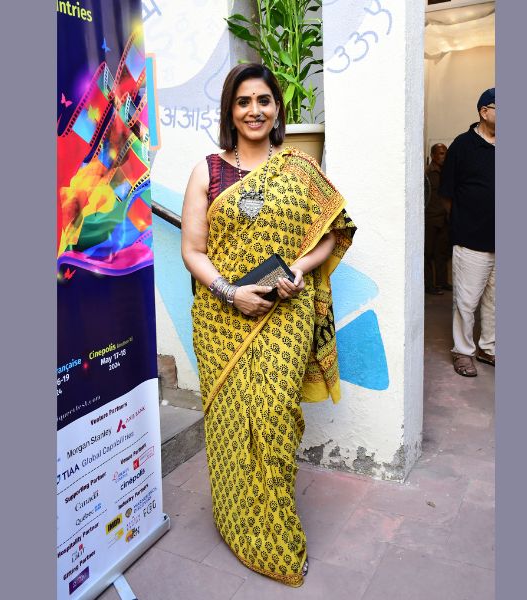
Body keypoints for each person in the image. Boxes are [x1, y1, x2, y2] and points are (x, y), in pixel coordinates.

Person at [180, 63, 356, 587]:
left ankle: (276, 531)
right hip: (221, 318)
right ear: (230, 111)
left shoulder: (300, 169)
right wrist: (230, 292)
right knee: (231, 421)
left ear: (277, 108)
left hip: (286, 312)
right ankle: (238, 521)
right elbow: (193, 251)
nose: (254, 110)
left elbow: (333, 232)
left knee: (276, 416)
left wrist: (300, 268)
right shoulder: (207, 171)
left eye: (263, 100)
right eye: (243, 101)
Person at [439, 87, 495, 377]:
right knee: (466, 301)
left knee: (495, 302)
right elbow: (446, 194)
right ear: (484, 112)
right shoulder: (462, 145)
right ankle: (463, 351)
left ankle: (488, 348)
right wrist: (464, 220)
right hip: (471, 239)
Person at [425, 143, 451, 295]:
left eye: (445, 153)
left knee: (441, 253)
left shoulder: (446, 171)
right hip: (431, 218)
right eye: (441, 153)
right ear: (433, 155)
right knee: (427, 254)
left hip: (443, 219)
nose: (444, 156)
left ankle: (442, 282)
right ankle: (429, 285)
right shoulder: (428, 173)